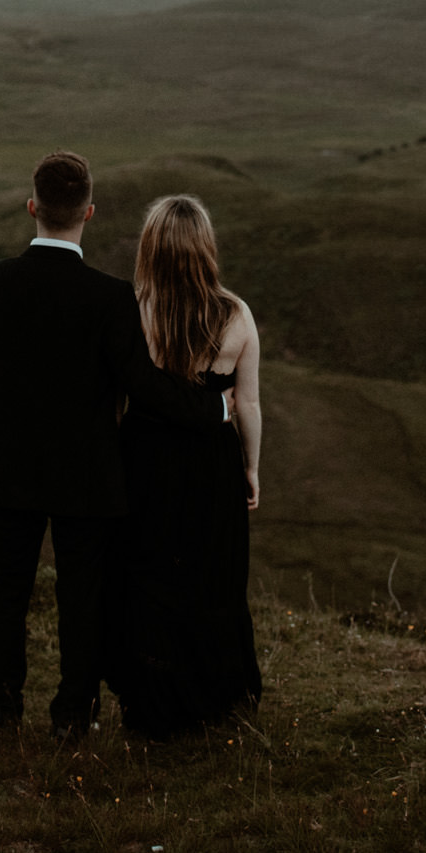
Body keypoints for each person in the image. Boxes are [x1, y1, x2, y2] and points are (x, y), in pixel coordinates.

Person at [0, 151, 231, 740]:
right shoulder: (110, 299)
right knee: (82, 597)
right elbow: (143, 386)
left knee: (7, 592)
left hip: (9, 468)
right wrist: (217, 407)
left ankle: (3, 703)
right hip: (88, 475)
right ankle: (72, 712)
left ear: (33, 207)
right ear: (89, 212)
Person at [106, 193, 265, 736]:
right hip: (213, 460)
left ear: (150, 248)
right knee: (213, 572)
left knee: (149, 572)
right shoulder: (235, 314)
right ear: (206, 248)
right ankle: (215, 696)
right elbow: (248, 403)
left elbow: (117, 405)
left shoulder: (132, 311)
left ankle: (150, 697)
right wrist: (252, 466)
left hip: (145, 458)